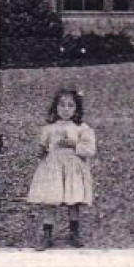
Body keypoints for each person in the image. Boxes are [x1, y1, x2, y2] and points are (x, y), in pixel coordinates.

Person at [26, 89, 97, 249]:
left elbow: (90, 150)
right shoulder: (49, 128)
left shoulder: (82, 129)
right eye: (62, 105)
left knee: (73, 201)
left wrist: (74, 145)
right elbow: (43, 146)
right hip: (54, 168)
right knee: (51, 200)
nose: (66, 109)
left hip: (73, 169)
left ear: (76, 109)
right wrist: (42, 150)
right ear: (55, 107)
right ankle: (47, 235)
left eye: (70, 106)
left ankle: (74, 232)